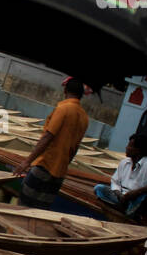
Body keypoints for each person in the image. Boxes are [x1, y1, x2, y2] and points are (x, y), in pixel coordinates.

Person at [13, 76, 90, 209]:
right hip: (60, 171)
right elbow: (75, 148)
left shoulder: (63, 109)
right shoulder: (84, 117)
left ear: (65, 90)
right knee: (41, 209)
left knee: (23, 206)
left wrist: (27, 161)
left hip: (44, 165)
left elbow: (48, 137)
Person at [94, 133, 147, 222]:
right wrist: (119, 194)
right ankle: (126, 209)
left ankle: (130, 210)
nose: (126, 148)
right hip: (122, 197)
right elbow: (115, 182)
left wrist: (135, 193)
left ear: (138, 150)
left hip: (137, 200)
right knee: (99, 188)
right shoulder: (124, 162)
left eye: (130, 146)